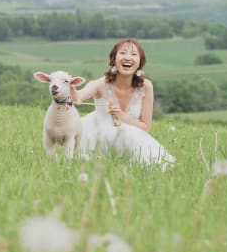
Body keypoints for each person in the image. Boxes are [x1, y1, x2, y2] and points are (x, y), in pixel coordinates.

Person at [74, 38, 175, 166]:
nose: (127, 58)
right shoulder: (99, 84)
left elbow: (145, 127)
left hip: (131, 140)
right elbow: (77, 97)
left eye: (133, 54)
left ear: (140, 62)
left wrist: (122, 116)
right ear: (114, 59)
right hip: (99, 137)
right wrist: (67, 86)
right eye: (122, 53)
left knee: (133, 138)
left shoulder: (146, 86)